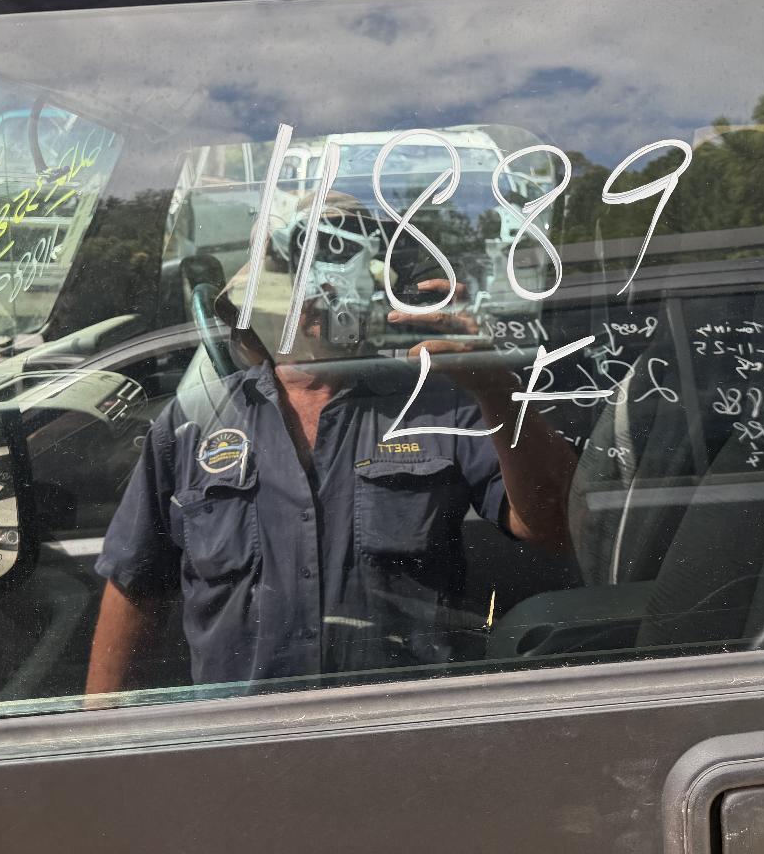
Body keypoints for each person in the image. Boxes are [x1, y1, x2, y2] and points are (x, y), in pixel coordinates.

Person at [84, 195, 578, 694]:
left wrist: (496, 389)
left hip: (405, 724)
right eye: (296, 276)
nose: (318, 295)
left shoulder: (442, 401)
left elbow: (550, 524)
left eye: (342, 271)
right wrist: (100, 727)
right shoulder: (195, 420)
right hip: (240, 731)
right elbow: (135, 583)